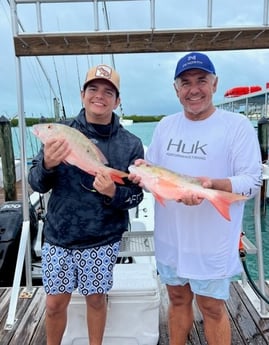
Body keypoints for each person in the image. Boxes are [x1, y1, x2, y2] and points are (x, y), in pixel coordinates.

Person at [130, 52, 262, 345]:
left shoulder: (236, 126)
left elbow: (251, 182)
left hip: (212, 241)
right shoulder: (165, 126)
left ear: (215, 84)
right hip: (171, 239)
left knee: (212, 308)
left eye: (201, 80)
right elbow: (155, 180)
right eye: (185, 82)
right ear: (176, 90)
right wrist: (143, 175)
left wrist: (212, 185)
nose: (194, 89)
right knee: (177, 299)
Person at [28, 64, 144, 345]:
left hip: (102, 239)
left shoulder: (130, 143)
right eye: (93, 89)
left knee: (95, 299)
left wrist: (113, 193)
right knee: (55, 303)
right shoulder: (62, 131)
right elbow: (36, 183)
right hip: (59, 236)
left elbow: (136, 196)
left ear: (117, 101)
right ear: (82, 95)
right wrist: (47, 164)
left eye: (108, 91)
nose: (99, 96)